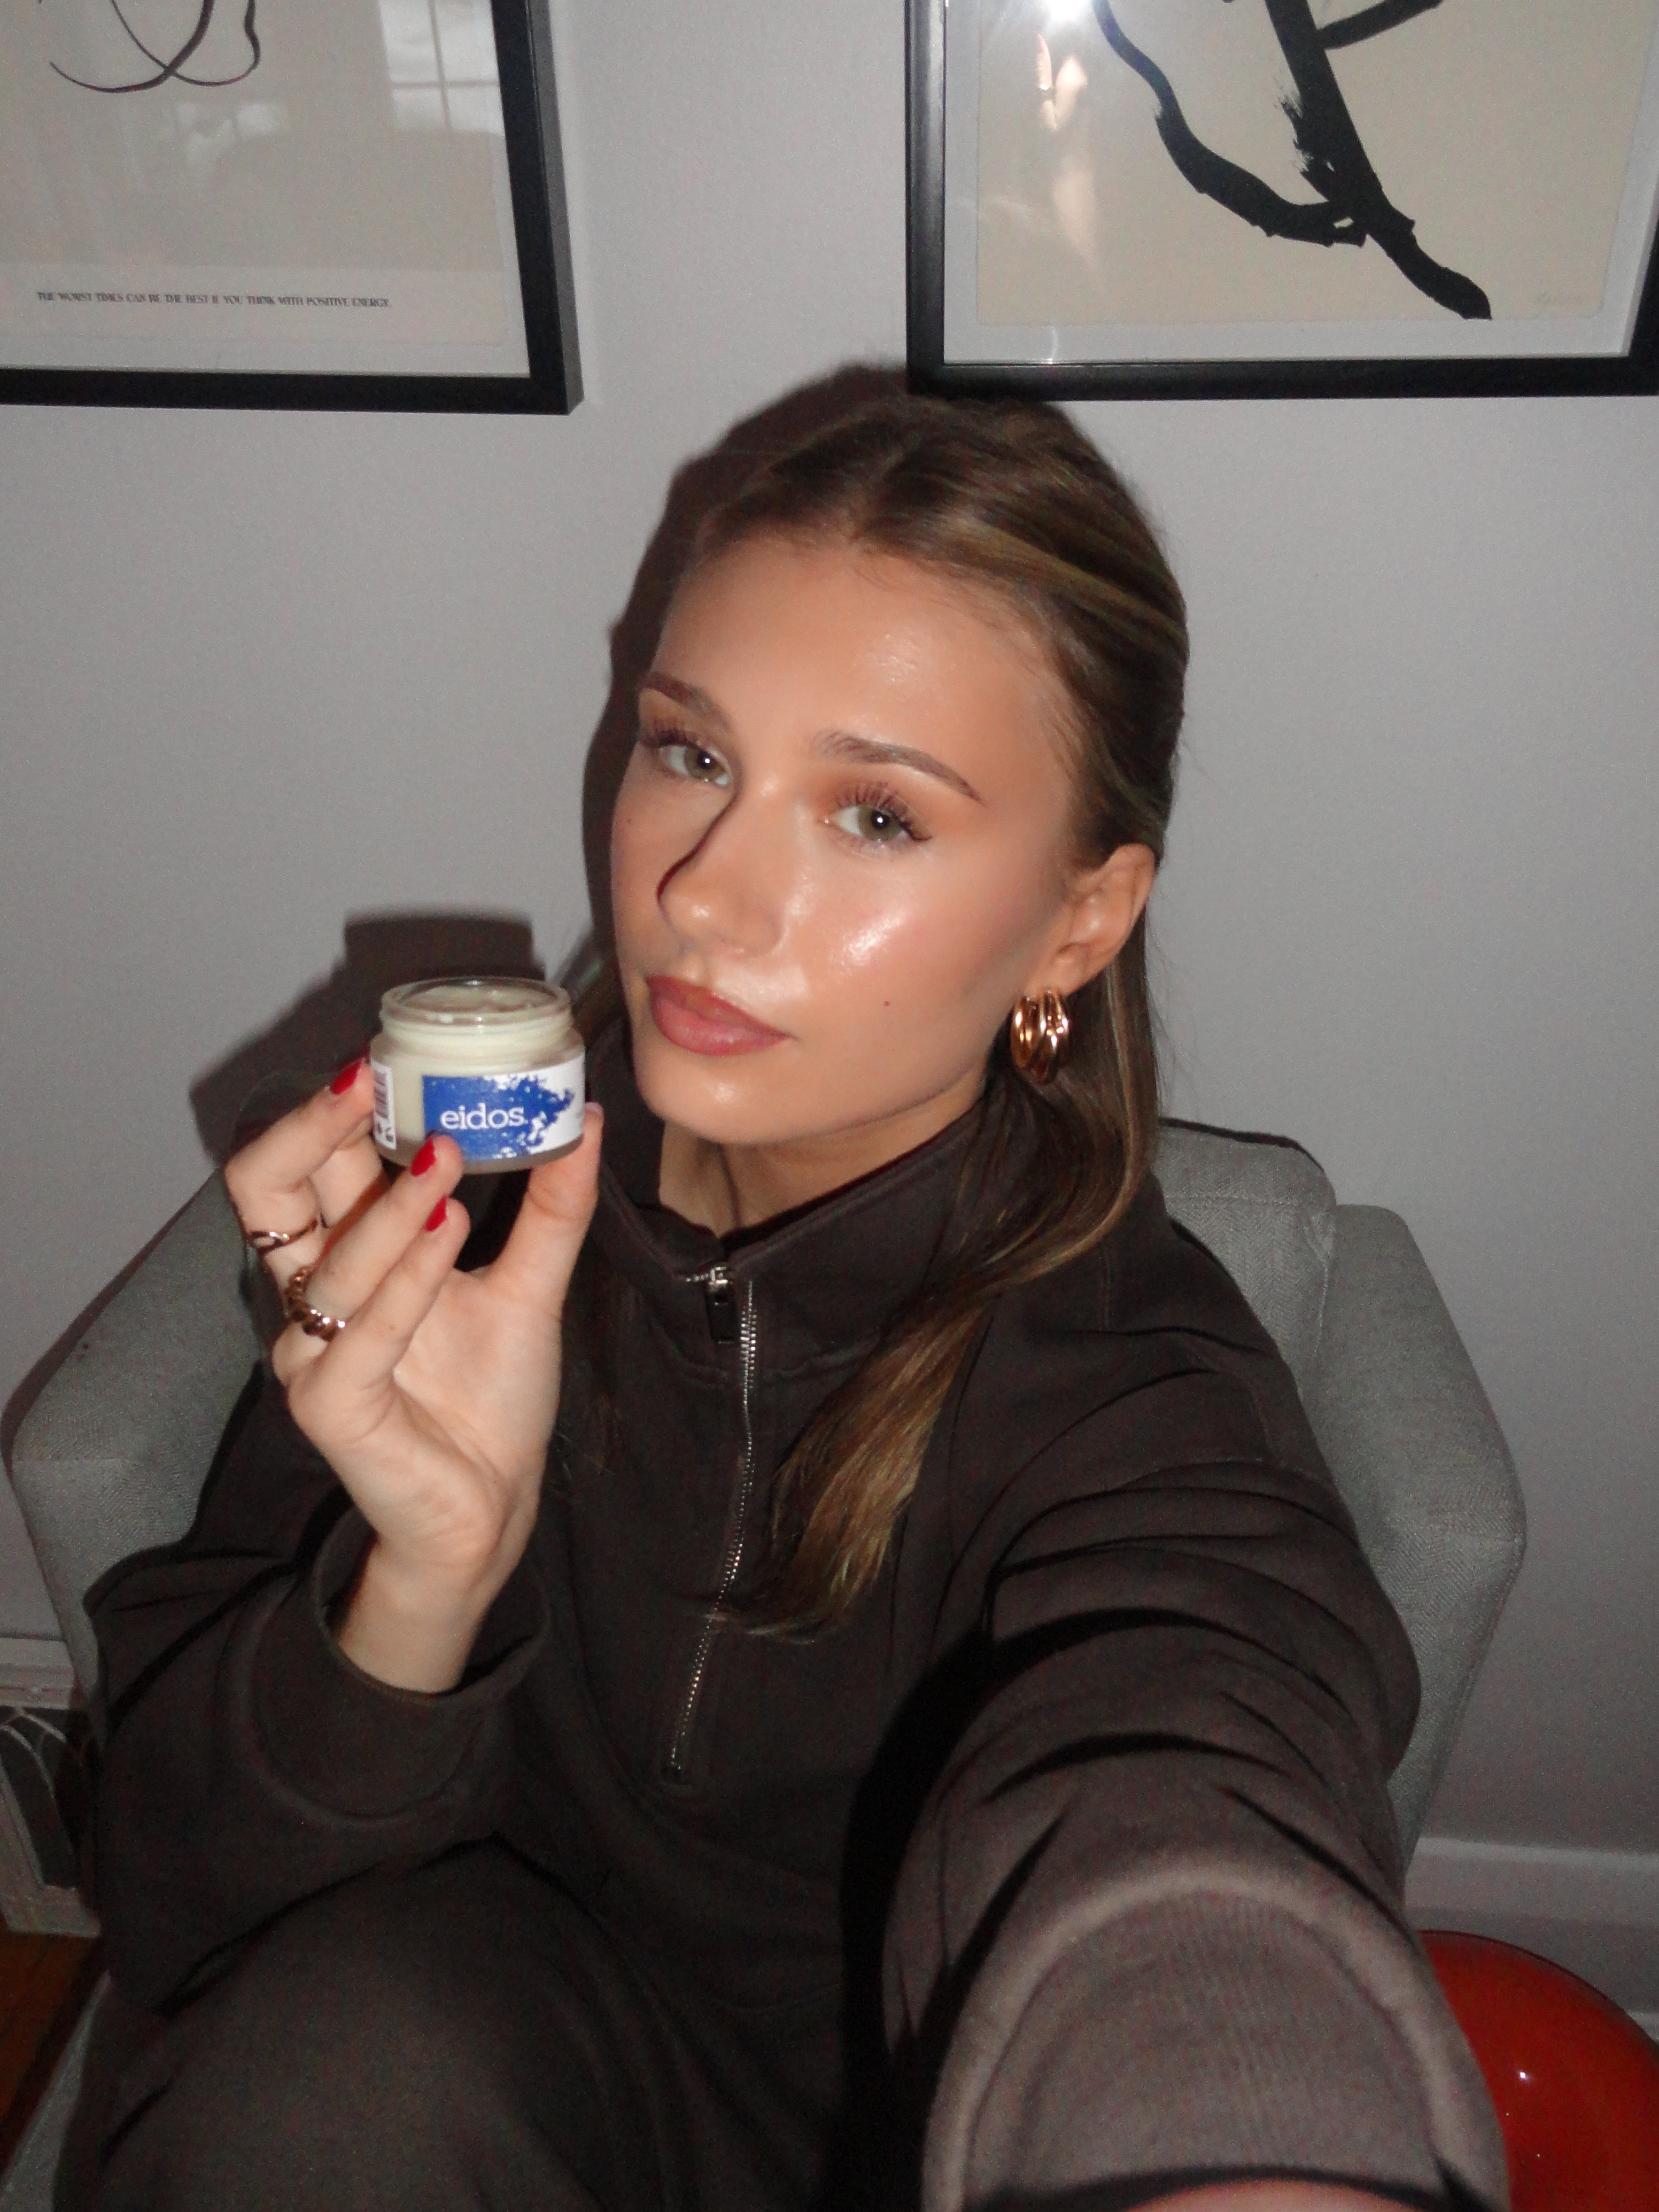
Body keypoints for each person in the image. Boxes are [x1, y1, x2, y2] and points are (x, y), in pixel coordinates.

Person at [87, 392, 1505, 2211]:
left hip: (917, 2136)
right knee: (336, 2064)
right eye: (689, 753)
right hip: (490, 2070)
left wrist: (1231, 2132)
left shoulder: (1134, 1387)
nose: (702, 893)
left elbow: (1189, 1745)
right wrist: (415, 1580)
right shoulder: (473, 1217)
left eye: (875, 814)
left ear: (1082, 919)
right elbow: (173, 1896)